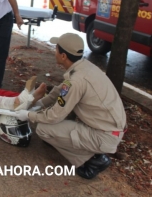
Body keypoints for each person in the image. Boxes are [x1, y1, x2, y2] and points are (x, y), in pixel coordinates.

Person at [15, 33, 127, 180]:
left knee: (43, 129)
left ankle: (91, 161)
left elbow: (55, 116)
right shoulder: (83, 67)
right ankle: (82, 147)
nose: (54, 52)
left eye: (56, 49)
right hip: (110, 129)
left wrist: (28, 115)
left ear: (63, 56)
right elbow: (60, 90)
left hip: (104, 136)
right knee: (52, 123)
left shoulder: (76, 81)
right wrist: (40, 103)